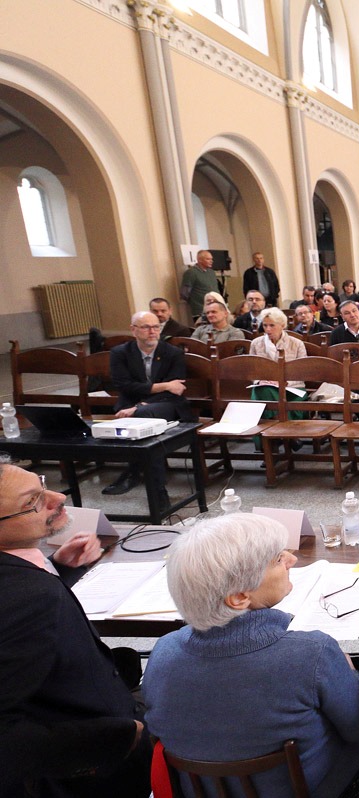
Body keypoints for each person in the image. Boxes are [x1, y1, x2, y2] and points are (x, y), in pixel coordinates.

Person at [143, 514, 359, 798]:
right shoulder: (312, 653)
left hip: (204, 791)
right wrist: (350, 672)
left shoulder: (164, 653)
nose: (291, 559)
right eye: (278, 559)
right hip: (318, 789)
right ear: (239, 597)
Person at [0, 460, 152, 797]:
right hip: (86, 776)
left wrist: (57, 570)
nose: (58, 497)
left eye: (42, 485)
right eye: (33, 501)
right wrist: (118, 738)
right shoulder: (29, 597)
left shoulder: (22, 578)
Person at [104, 311, 195, 500]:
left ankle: (134, 474)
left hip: (168, 405)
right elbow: (123, 385)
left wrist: (141, 405)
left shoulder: (173, 353)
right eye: (146, 327)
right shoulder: (120, 353)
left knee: (142, 416)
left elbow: (176, 389)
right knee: (143, 419)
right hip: (131, 404)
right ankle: (157, 489)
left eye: (156, 327)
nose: (152, 331)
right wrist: (163, 386)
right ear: (133, 330)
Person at [179, 250, 222, 320]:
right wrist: (195, 302)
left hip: (215, 308)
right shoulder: (191, 273)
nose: (211, 261)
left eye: (211, 259)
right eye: (208, 259)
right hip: (200, 311)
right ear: (200, 260)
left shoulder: (211, 272)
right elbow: (184, 293)